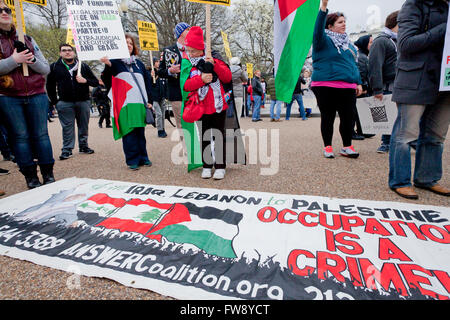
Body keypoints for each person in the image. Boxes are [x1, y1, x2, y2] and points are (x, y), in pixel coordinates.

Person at [389, 0, 450, 199]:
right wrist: (445, 29)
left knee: (436, 135)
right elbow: (406, 44)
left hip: (444, 80)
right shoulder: (414, 5)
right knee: (406, 135)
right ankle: (400, 181)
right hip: (416, 78)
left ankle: (427, 178)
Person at [0, 1, 55, 189]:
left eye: (7, 9)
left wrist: (29, 58)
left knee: (41, 135)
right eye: (0, 10)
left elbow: (45, 68)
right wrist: (14, 60)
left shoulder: (28, 38)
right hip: (8, 95)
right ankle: (30, 177)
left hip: (36, 93)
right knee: (20, 136)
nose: (4, 13)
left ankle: (48, 174)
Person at [311, 0, 363, 159]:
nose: (344, 24)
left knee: (349, 117)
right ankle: (328, 147)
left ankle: (347, 146)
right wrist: (323, 8)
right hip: (325, 85)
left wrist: (358, 82)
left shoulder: (350, 46)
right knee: (328, 117)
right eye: (340, 22)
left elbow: (353, 65)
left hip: (347, 86)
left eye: (345, 22)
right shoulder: (322, 40)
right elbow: (317, 29)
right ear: (330, 26)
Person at [182, 26, 232, 180]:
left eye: (193, 50)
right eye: (188, 50)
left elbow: (227, 77)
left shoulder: (215, 59)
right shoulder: (190, 64)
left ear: (200, 48)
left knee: (219, 137)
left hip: (218, 106)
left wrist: (214, 64)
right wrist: (201, 80)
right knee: (205, 137)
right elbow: (186, 85)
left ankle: (220, 167)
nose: (190, 53)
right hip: (201, 107)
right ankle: (207, 165)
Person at [101, 34, 153, 170]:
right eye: (125, 43)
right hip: (124, 104)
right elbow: (107, 80)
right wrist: (107, 66)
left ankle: (143, 157)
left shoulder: (139, 63)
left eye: (130, 43)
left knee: (140, 132)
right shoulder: (114, 63)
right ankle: (132, 160)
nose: (128, 45)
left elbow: (147, 84)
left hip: (139, 103)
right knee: (129, 133)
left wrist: (150, 101)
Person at [47, 44, 98, 160]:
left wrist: (85, 80)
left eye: (69, 50)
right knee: (67, 127)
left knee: (83, 125)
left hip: (83, 101)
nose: (67, 52)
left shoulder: (83, 66)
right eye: (64, 51)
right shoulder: (55, 67)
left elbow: (95, 82)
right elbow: (49, 85)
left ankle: (84, 146)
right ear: (60, 53)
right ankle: (67, 149)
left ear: (74, 52)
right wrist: (55, 101)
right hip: (65, 102)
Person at [369, 11, 400, 153]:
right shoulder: (381, 40)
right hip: (388, 84)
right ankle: (386, 143)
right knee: (389, 116)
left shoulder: (394, 40)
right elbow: (375, 65)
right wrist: (377, 89)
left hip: (397, 83)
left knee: (395, 115)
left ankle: (392, 142)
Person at [158, 22, 190, 147]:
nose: (190, 31)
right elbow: (160, 72)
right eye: (188, 29)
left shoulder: (194, 49)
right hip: (177, 93)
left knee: (196, 120)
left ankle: (198, 146)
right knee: (181, 123)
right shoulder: (167, 51)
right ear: (181, 33)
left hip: (192, 91)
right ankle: (188, 148)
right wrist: (170, 71)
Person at [353, 34, 373, 140]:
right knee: (358, 111)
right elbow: (361, 74)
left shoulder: (362, 56)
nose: (372, 44)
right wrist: (364, 87)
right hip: (361, 88)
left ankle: (363, 130)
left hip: (363, 86)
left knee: (361, 110)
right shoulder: (362, 57)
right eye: (370, 42)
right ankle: (360, 131)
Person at [149, 58, 168, 138]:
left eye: (159, 61)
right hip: (154, 97)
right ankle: (159, 130)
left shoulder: (161, 72)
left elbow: (165, 84)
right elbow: (149, 84)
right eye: (157, 62)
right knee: (159, 114)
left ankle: (163, 129)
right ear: (153, 63)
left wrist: (166, 95)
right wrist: (151, 76)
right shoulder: (151, 72)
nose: (158, 63)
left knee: (163, 114)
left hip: (162, 96)